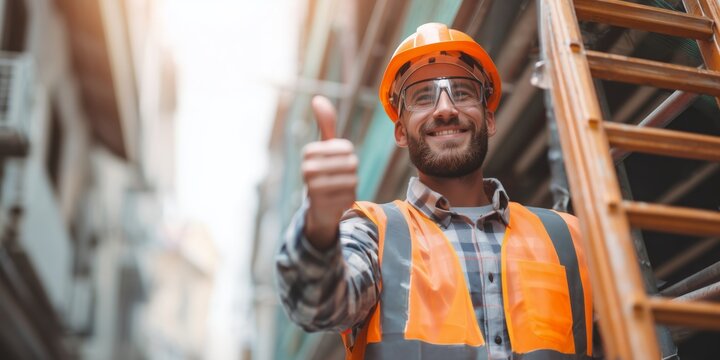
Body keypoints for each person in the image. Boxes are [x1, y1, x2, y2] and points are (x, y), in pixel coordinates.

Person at [276, 22, 593, 359]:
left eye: (463, 91)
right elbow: (317, 306)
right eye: (423, 97)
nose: (445, 109)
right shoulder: (372, 232)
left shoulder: (571, 237)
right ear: (400, 132)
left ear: (488, 120)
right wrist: (319, 227)